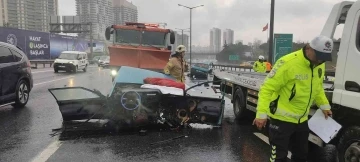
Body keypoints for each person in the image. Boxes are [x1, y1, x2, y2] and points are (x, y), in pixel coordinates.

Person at [253, 35, 333, 162]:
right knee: (278, 158)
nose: (320, 61)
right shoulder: (288, 63)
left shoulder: (319, 64)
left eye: (324, 59)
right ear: (309, 49)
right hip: (281, 120)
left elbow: (317, 87)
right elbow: (267, 89)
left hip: (302, 121)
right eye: (318, 57)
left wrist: (324, 106)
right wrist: (261, 114)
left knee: (301, 156)